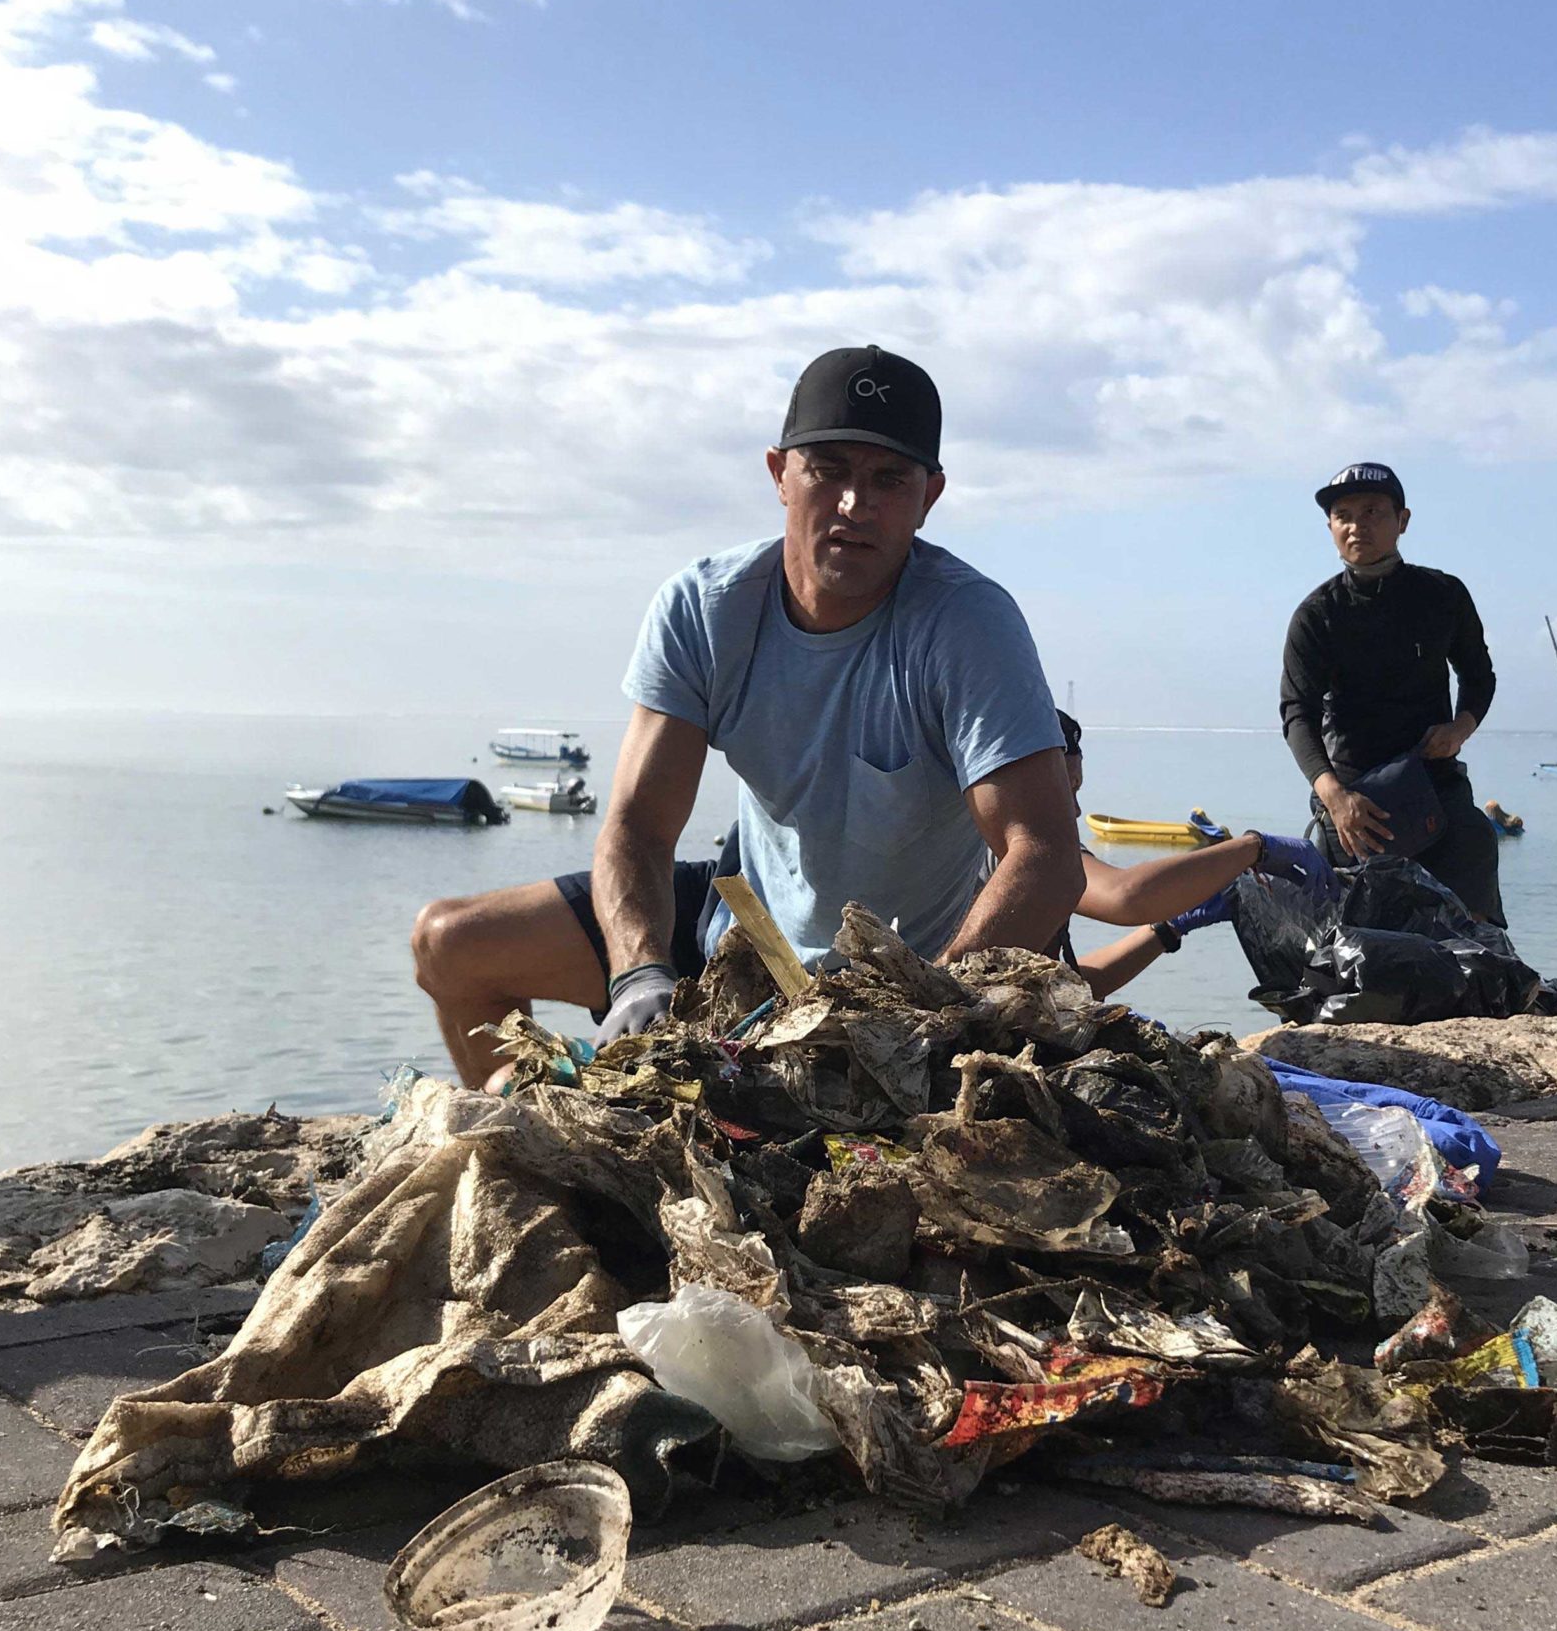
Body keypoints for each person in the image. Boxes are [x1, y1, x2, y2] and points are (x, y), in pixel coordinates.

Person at [413, 345, 1082, 1081]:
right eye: (829, 470)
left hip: (897, 978)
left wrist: (919, 1014)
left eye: (889, 479)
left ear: (930, 496)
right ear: (779, 475)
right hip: (745, 935)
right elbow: (637, 828)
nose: (855, 505)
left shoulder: (966, 625)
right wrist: (639, 974)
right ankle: (521, 1144)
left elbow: (1045, 857)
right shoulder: (706, 609)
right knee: (449, 943)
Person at [1278, 460, 1505, 925]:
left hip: (1435, 782)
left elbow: (1479, 675)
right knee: (1358, 945)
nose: (1357, 526)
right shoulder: (1316, 615)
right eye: (1344, 515)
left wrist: (1461, 728)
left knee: (1472, 907)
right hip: (1355, 795)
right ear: (1330, 527)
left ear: (1402, 521)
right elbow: (1296, 713)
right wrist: (1334, 797)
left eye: (1372, 512)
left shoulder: (1443, 595)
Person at [1044, 712, 1332, 1000]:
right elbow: (1126, 896)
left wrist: (1169, 927)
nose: (1076, 809)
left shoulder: (1052, 847)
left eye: (1077, 789)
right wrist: (1254, 847)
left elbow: (1063, 993)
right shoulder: (1022, 851)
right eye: (1063, 789)